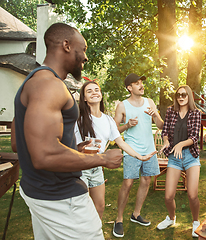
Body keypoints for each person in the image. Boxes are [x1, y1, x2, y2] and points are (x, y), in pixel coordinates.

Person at [11, 23, 123, 240]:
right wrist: (102, 159)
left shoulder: (32, 82)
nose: (86, 57)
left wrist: (72, 148)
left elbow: (18, 142)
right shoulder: (49, 86)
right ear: (66, 45)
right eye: (84, 49)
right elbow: (44, 155)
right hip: (61, 198)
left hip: (38, 192)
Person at [74, 81, 156, 219]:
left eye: (96, 90)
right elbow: (72, 147)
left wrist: (140, 157)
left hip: (97, 168)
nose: (94, 92)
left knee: (99, 207)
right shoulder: (79, 120)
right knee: (81, 209)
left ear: (100, 94)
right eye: (89, 91)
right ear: (84, 98)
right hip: (80, 168)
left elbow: (121, 143)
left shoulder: (108, 120)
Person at [113, 73, 164, 238]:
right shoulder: (122, 105)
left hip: (149, 149)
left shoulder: (149, 102)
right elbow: (113, 131)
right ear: (129, 88)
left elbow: (161, 125)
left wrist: (155, 114)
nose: (141, 85)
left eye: (141, 82)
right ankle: (118, 219)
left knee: (146, 180)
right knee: (128, 183)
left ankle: (136, 214)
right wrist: (127, 125)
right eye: (137, 83)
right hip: (132, 150)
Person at [156, 85, 202, 237]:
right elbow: (165, 131)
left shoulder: (196, 113)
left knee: (192, 195)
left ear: (189, 96)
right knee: (168, 196)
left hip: (190, 156)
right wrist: (166, 142)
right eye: (178, 95)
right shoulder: (171, 111)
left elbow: (195, 137)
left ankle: (196, 221)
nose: (181, 97)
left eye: (184, 94)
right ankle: (171, 218)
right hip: (174, 158)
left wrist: (181, 144)